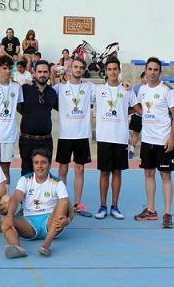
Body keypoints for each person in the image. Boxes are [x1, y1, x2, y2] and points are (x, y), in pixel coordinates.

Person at [134, 57, 174, 229]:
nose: (152, 72)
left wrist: (171, 138)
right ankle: (151, 210)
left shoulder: (167, 90)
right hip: (147, 140)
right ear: (145, 70)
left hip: (163, 141)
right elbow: (140, 108)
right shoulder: (142, 90)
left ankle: (167, 214)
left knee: (165, 176)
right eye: (149, 69)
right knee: (148, 174)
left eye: (155, 69)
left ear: (159, 72)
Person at [2, 148, 73, 258]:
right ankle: (16, 247)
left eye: (43, 162)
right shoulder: (25, 179)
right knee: (5, 219)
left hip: (51, 223)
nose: (40, 166)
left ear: (49, 164)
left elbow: (68, 206)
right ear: (33, 164)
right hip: (29, 224)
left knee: (63, 201)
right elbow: (16, 198)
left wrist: (67, 220)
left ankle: (46, 245)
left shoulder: (57, 183)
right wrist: (10, 216)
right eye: (36, 163)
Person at [93, 57, 140, 220]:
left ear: (119, 71)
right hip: (104, 137)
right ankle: (102, 206)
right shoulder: (98, 90)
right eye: (109, 69)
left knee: (117, 172)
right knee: (104, 173)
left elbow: (137, 108)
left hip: (120, 137)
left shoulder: (127, 90)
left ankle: (114, 206)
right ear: (105, 71)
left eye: (115, 69)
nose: (112, 72)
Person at [50, 57, 95, 217]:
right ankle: (62, 202)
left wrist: (124, 86)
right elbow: (47, 92)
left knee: (80, 169)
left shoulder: (90, 87)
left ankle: (77, 203)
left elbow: (107, 94)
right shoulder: (61, 88)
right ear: (70, 69)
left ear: (83, 70)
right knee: (62, 170)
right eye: (75, 67)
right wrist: (52, 73)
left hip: (82, 135)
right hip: (65, 135)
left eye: (80, 68)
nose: (78, 70)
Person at [0, 56, 23, 185]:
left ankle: (4, 200)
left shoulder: (17, 87)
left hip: (9, 135)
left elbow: (20, 108)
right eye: (4, 68)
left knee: (5, 169)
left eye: (10, 68)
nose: (7, 71)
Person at [17, 60, 58, 176]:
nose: (42, 74)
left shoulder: (52, 92)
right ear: (34, 73)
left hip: (46, 141)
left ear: (49, 73)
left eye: (45, 72)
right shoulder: (24, 89)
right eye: (39, 72)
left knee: (44, 173)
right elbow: (19, 107)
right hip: (27, 140)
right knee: (26, 172)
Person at [129, 72, 147, 159]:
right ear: (142, 78)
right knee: (135, 134)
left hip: (148, 117)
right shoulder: (136, 89)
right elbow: (131, 101)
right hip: (137, 116)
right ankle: (131, 150)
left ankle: (145, 153)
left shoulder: (153, 89)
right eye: (145, 77)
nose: (147, 79)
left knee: (148, 135)